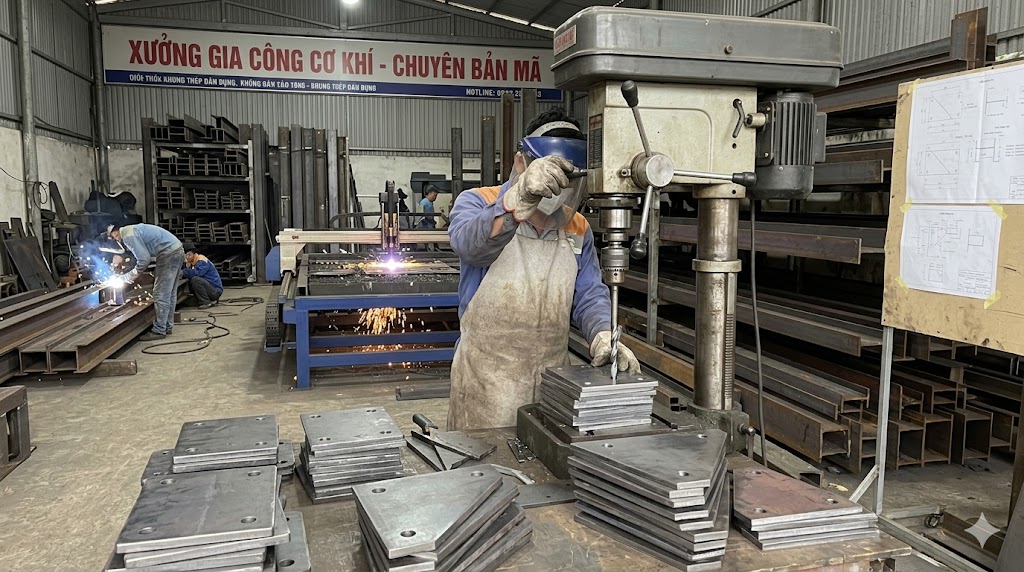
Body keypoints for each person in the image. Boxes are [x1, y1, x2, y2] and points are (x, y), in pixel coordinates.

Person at [445, 108, 641, 431]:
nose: (559, 191)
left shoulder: (577, 227)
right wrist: (516, 202)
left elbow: (589, 295)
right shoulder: (478, 202)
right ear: (521, 163)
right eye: (554, 176)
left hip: (552, 386)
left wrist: (603, 335)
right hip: (485, 388)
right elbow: (469, 245)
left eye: (569, 181)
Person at [106, 223, 184, 341]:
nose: (116, 240)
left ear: (115, 233)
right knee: (170, 292)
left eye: (114, 237)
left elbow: (144, 259)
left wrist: (129, 277)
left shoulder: (128, 236)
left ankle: (159, 330)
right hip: (177, 250)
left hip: (168, 254)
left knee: (160, 293)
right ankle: (167, 326)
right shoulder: (132, 230)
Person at [182, 243, 224, 309]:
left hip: (215, 291)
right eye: (185, 255)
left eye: (189, 255)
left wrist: (183, 272)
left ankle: (205, 302)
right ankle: (211, 300)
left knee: (195, 279)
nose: (187, 257)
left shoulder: (201, 260)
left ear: (194, 254)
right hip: (210, 289)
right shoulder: (191, 262)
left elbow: (197, 273)